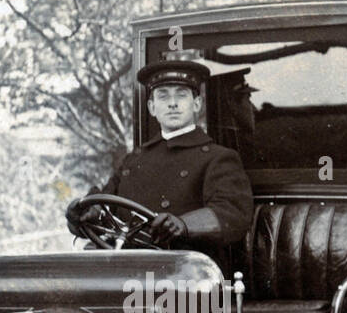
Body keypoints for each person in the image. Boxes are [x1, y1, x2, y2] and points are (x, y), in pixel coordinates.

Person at [67, 59, 253, 271]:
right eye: (163, 96)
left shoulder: (218, 158)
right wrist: (84, 216)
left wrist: (183, 225)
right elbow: (105, 208)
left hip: (185, 274)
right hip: (127, 271)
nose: (172, 103)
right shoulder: (134, 160)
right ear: (152, 107)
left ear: (197, 104)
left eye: (181, 95)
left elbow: (231, 214)